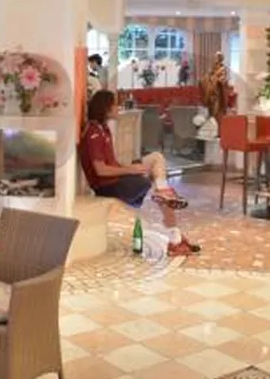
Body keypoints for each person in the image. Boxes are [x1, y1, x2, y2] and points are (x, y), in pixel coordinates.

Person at [79, 90, 199, 256]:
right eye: (115, 105)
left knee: (156, 158)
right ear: (106, 108)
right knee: (159, 193)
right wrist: (130, 169)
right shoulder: (93, 132)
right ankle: (175, 238)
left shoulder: (103, 129)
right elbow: (101, 170)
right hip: (109, 186)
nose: (118, 108)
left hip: (116, 179)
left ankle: (165, 197)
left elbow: (111, 164)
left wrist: (131, 168)